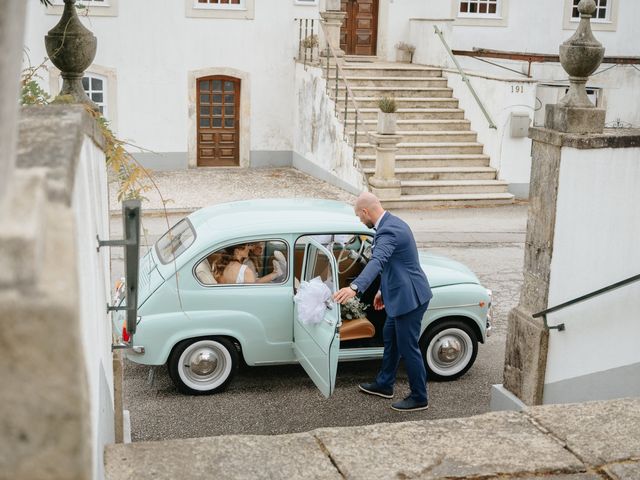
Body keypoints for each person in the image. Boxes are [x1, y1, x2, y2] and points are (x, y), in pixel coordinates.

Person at [333, 191, 432, 412]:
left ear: (366, 211)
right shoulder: (391, 223)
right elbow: (392, 265)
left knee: (408, 348)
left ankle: (419, 397)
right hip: (398, 294)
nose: (360, 220)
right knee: (390, 337)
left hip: (410, 299)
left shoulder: (388, 230)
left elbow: (378, 261)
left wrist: (354, 287)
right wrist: (381, 291)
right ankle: (385, 384)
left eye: (359, 216)